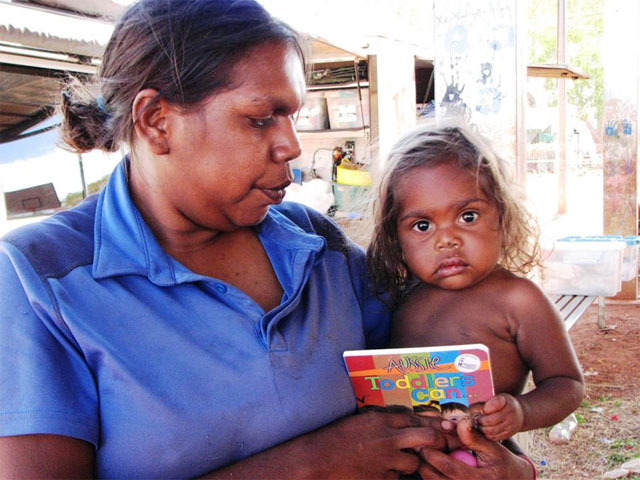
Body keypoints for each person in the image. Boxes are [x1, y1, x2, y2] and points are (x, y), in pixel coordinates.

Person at [0, 1, 538, 478]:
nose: (291, 147)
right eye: (261, 120)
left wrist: (509, 465)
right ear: (156, 121)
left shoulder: (317, 250)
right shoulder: (41, 281)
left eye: (293, 117)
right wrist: (312, 465)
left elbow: (431, 386)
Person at [368, 124, 585, 447]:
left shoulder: (518, 300)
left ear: (502, 214)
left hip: (483, 459)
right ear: (395, 237)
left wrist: (521, 412)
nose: (447, 240)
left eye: (467, 217)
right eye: (422, 225)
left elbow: (566, 383)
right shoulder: (399, 294)